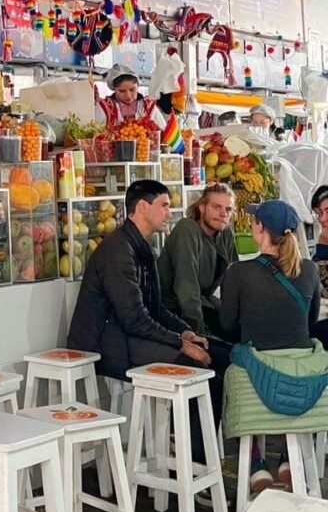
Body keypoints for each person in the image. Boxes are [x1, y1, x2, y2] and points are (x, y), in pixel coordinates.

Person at [67, 179, 230, 466]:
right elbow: (133, 319)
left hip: (130, 334)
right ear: (143, 207)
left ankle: (201, 455)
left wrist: (186, 331)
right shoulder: (118, 250)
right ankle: (193, 463)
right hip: (107, 343)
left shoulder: (144, 248)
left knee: (221, 356)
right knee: (198, 365)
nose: (170, 212)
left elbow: (154, 308)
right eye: (164, 206)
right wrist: (180, 344)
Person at [220, 199, 325, 491]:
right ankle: (288, 459)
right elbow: (310, 322)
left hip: (260, 373)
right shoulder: (309, 270)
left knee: (242, 359)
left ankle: (255, 461)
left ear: (260, 228)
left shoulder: (238, 272)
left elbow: (228, 324)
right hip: (304, 374)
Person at [158, 183, 238, 338]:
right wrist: (198, 335)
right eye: (216, 207)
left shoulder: (225, 233)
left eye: (228, 209)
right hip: (173, 310)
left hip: (203, 302)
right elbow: (186, 287)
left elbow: (234, 280)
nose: (223, 214)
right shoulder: (187, 229)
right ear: (202, 207)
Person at [93, 64, 167, 131]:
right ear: (114, 89)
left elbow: (163, 131)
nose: (128, 95)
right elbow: (95, 133)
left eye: (132, 90)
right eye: (122, 91)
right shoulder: (104, 107)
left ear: (138, 86)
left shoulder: (148, 107)